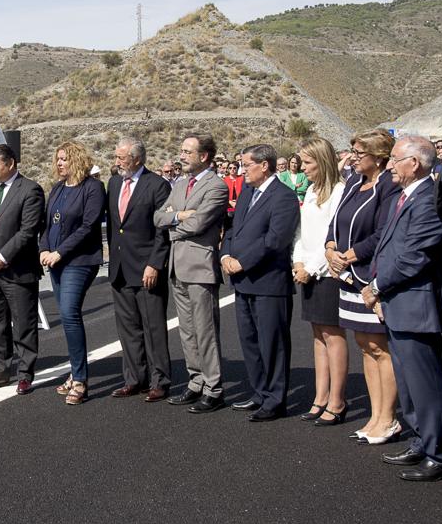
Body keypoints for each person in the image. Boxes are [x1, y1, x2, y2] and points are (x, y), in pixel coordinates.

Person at [362, 137, 442, 482]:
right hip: (397, 302)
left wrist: (375, 287)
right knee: (409, 382)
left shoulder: (428, 200)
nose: (389, 165)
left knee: (426, 383)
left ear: (414, 163)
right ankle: (421, 439)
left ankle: (441, 452)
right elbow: (388, 245)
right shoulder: (405, 197)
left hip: (414, 304)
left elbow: (413, 256)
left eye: (395, 160)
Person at [325, 129, 402, 444]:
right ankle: (374, 415)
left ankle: (388, 418)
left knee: (380, 348)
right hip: (347, 275)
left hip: (368, 274)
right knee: (365, 347)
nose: (353, 158)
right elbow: (336, 221)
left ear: (379, 156)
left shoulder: (388, 186)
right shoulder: (354, 184)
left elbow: (385, 230)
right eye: (352, 151)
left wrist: (352, 254)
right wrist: (330, 248)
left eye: (359, 153)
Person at [222, 143, 299, 421]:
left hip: (268, 282)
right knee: (250, 342)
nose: (242, 170)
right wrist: (226, 255)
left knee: (272, 343)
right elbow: (232, 229)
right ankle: (259, 393)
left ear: (263, 165)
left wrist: (243, 261)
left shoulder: (283, 197)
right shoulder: (247, 193)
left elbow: (276, 239)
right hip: (242, 281)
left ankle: (275, 400)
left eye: (246, 165)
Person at [156, 133, 229, 413]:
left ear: (204, 156)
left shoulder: (217, 186)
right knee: (187, 331)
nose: (182, 156)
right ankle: (195, 381)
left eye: (188, 151)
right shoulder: (181, 184)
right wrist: (179, 216)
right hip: (177, 266)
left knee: (205, 331)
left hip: (200, 267)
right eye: (182, 151)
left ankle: (214, 388)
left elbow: (199, 223)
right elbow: (157, 216)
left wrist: (174, 223)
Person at [0, 143, 45, 395]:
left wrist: (2, 256)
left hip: (18, 270)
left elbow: (28, 231)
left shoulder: (30, 190)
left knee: (24, 324)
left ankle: (25, 374)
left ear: (10, 164)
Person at [107, 137, 174, 403]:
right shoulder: (113, 184)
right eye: (116, 157)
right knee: (128, 328)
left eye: (121, 158)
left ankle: (160, 380)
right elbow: (114, 226)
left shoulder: (157, 185)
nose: (116, 162)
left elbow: (162, 230)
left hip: (147, 268)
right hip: (120, 268)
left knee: (153, 327)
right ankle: (134, 378)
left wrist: (155, 263)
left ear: (136, 159)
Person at [42, 141, 105, 404]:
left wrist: (60, 252)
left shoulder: (92, 188)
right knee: (69, 319)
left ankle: (80, 379)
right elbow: (47, 224)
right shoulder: (57, 188)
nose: (59, 163)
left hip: (79, 261)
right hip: (55, 261)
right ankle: (74, 371)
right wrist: (44, 248)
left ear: (77, 160)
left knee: (68, 314)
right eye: (57, 158)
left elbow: (88, 227)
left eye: (64, 158)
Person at [291, 137, 348, 425]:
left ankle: (337, 400)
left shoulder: (339, 191)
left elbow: (333, 236)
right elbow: (303, 232)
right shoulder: (312, 191)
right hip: (309, 272)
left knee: (333, 336)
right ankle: (320, 396)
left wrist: (310, 268)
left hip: (327, 274)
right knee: (317, 336)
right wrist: (298, 261)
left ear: (322, 162)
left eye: (308, 162)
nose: (303, 168)